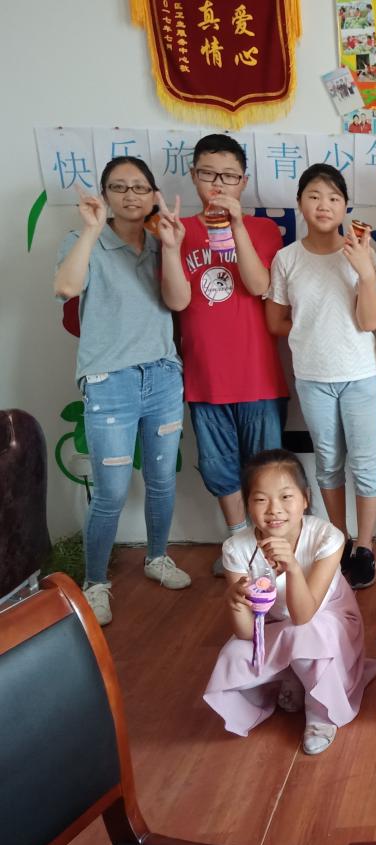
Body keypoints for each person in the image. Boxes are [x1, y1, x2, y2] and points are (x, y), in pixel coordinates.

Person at [53, 157, 188, 624]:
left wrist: (172, 248)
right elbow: (65, 287)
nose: (131, 195)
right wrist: (91, 230)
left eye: (140, 187)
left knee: (162, 480)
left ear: (153, 194)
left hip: (163, 376)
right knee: (110, 491)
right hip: (110, 381)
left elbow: (178, 301)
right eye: (119, 187)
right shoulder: (83, 239)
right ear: (105, 194)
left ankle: (157, 557)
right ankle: (95, 582)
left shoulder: (160, 241)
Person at [159, 133, 288, 575]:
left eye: (229, 176)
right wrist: (172, 247)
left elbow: (259, 285)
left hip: (258, 374)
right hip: (205, 375)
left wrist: (236, 227)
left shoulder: (263, 230)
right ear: (193, 175)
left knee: (267, 470)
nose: (218, 184)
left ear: (244, 181)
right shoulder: (177, 229)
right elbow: (176, 301)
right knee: (219, 469)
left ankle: (272, 549)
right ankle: (239, 545)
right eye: (209, 174)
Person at [203, 450, 376, 755]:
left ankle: (321, 714)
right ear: (247, 504)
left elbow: (304, 615)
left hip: (325, 623)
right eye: (261, 499)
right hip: (275, 626)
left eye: (286, 497)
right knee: (233, 657)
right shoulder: (236, 548)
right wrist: (235, 602)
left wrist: (293, 567)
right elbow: (247, 633)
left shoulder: (326, 537)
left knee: (304, 633)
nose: (274, 510)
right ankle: (293, 677)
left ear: (305, 498)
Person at [265, 164, 376, 589]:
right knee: (328, 463)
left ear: (345, 206)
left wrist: (365, 271)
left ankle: (365, 546)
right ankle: (340, 539)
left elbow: (369, 321)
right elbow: (276, 321)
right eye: (314, 196)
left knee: (365, 464)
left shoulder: (360, 252)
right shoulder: (287, 259)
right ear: (300, 203)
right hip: (313, 377)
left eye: (334, 198)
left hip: (360, 375)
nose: (324, 205)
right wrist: (311, 330)